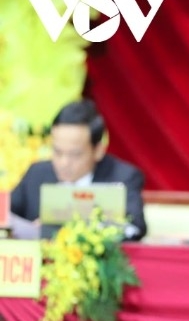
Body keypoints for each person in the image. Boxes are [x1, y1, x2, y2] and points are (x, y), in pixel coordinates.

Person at [10, 98, 147, 241]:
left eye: (75, 154)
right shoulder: (37, 174)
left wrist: (65, 230)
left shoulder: (123, 177)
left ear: (98, 150)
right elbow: (5, 215)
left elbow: (135, 228)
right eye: (57, 152)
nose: (64, 162)